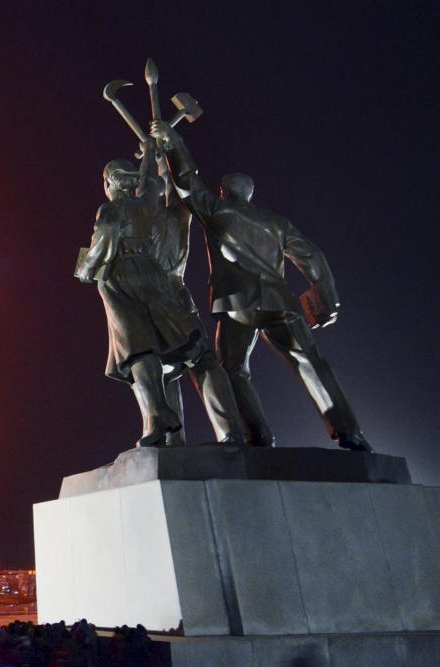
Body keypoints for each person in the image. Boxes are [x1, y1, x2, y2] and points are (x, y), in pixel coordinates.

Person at [152, 119, 372, 451]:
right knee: (310, 361)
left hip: (239, 304)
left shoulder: (218, 210)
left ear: (224, 192)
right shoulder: (277, 223)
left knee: (232, 369)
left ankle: (258, 436)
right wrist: (326, 296)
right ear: (250, 195)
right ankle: (349, 432)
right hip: (280, 302)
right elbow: (312, 256)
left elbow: (188, 184)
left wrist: (172, 141)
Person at [76, 140, 247, 446]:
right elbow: (155, 183)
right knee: (193, 352)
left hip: (121, 278)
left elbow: (102, 241)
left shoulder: (111, 209)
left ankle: (158, 418)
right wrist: (154, 157)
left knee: (137, 348)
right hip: (158, 280)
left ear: (107, 183)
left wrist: (85, 268)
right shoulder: (151, 206)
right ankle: (225, 429)